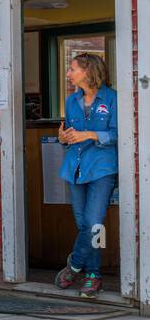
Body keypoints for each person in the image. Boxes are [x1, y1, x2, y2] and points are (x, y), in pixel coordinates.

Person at [55, 53, 119, 298]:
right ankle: (93, 274)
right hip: (75, 168)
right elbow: (70, 134)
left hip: (103, 168)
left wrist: (90, 134)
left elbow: (118, 134)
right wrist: (63, 138)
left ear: (88, 71)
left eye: (72, 69)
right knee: (85, 225)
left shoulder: (112, 99)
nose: (68, 74)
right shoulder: (71, 101)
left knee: (93, 224)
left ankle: (74, 266)